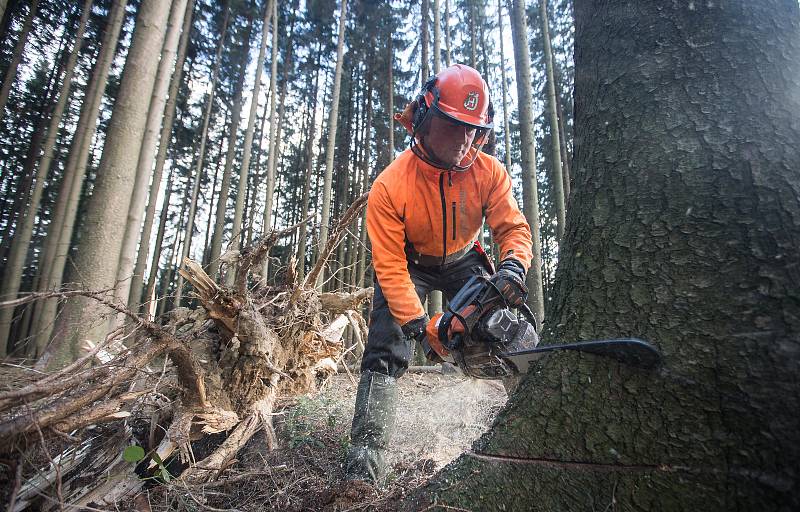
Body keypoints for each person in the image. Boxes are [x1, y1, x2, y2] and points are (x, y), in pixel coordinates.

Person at [345, 64, 533, 484]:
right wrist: (419, 325)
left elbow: (512, 228)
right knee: (386, 348)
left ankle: (525, 430)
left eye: (472, 129)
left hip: (465, 257)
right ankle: (365, 461)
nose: (464, 139)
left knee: (506, 331)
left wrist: (513, 266)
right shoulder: (391, 185)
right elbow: (390, 266)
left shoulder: (489, 171)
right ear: (428, 120)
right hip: (412, 263)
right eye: (454, 126)